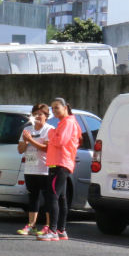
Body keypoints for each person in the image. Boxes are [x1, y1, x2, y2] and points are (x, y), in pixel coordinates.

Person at [39, 97, 81, 242]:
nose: (54, 110)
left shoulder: (68, 122)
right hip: (60, 163)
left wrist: (50, 135)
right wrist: (53, 136)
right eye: (52, 108)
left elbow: (60, 141)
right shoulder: (64, 123)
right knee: (61, 197)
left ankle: (52, 230)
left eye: (57, 107)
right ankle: (61, 230)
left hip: (60, 164)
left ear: (65, 107)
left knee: (52, 196)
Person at [17, 103, 53, 236]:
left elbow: (46, 148)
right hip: (30, 169)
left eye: (40, 114)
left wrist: (30, 140)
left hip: (45, 169)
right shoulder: (27, 129)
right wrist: (25, 142)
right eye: (35, 114)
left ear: (46, 116)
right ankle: (31, 225)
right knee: (33, 197)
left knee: (48, 198)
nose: (37, 116)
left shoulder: (49, 130)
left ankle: (48, 226)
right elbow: (20, 150)